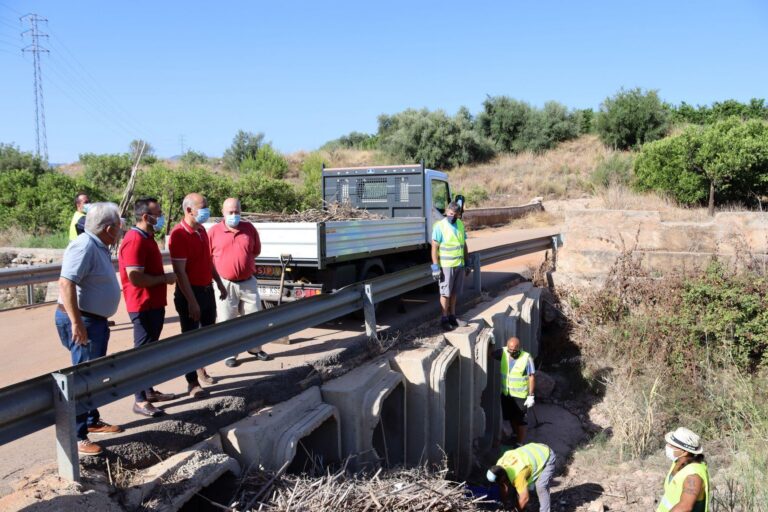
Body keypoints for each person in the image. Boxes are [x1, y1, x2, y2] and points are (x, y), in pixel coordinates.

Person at [54, 202, 124, 456]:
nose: (119, 230)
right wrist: (77, 322)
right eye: (117, 226)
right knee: (83, 377)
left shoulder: (99, 245)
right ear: (108, 228)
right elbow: (65, 283)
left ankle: (91, 419)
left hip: (93, 321)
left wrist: (101, 314)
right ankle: (78, 436)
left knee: (91, 374)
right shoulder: (84, 245)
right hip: (82, 322)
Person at [118, 197, 178, 417]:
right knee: (142, 353)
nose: (161, 217)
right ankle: (140, 400)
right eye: (158, 213)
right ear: (145, 217)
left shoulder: (148, 237)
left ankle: (149, 390)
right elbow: (136, 279)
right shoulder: (134, 240)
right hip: (142, 304)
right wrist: (164, 278)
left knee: (151, 351)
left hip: (153, 303)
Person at [169, 193, 227, 398]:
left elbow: (208, 261)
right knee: (190, 339)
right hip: (190, 294)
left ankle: (201, 367)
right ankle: (192, 382)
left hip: (207, 290)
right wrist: (192, 302)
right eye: (202, 207)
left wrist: (219, 283)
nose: (206, 211)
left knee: (206, 336)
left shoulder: (202, 230)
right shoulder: (179, 235)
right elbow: (180, 272)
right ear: (188, 210)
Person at [208, 197, 272, 367]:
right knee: (227, 319)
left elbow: (255, 250)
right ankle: (229, 354)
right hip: (225, 284)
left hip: (248, 282)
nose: (234, 215)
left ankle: (255, 348)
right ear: (223, 213)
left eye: (237, 212)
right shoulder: (214, 232)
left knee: (254, 317)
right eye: (230, 212)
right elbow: (207, 257)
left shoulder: (249, 228)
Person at [430, 201, 470, 331]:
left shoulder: (459, 224)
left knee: (454, 292)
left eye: (455, 214)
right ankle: (444, 319)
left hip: (459, 264)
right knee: (445, 293)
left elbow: (463, 245)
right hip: (446, 266)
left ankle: (453, 316)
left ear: (459, 215)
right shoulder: (439, 226)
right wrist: (435, 267)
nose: (452, 216)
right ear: (447, 211)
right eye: (450, 213)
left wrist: (467, 263)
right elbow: (434, 248)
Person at [487, 442, 557, 512]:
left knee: (541, 486)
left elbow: (525, 498)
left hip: (546, 456)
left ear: (502, 477)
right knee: (514, 487)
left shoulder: (518, 476)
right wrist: (504, 503)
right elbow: (503, 486)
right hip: (533, 449)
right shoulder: (499, 465)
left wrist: (516, 510)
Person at [493, 336, 536, 444]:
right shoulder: (503, 352)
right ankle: (515, 435)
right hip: (507, 394)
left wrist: (531, 395)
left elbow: (531, 376)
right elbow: (490, 354)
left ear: (519, 347)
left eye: (514, 350)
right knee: (511, 417)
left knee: (521, 420)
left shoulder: (526, 358)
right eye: (510, 349)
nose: (512, 352)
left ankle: (520, 443)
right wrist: (491, 342)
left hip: (520, 396)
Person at [656, 427, 710, 512]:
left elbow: (685, 507)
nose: (668, 446)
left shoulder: (693, 476)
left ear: (684, 452)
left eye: (672, 446)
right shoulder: (677, 463)